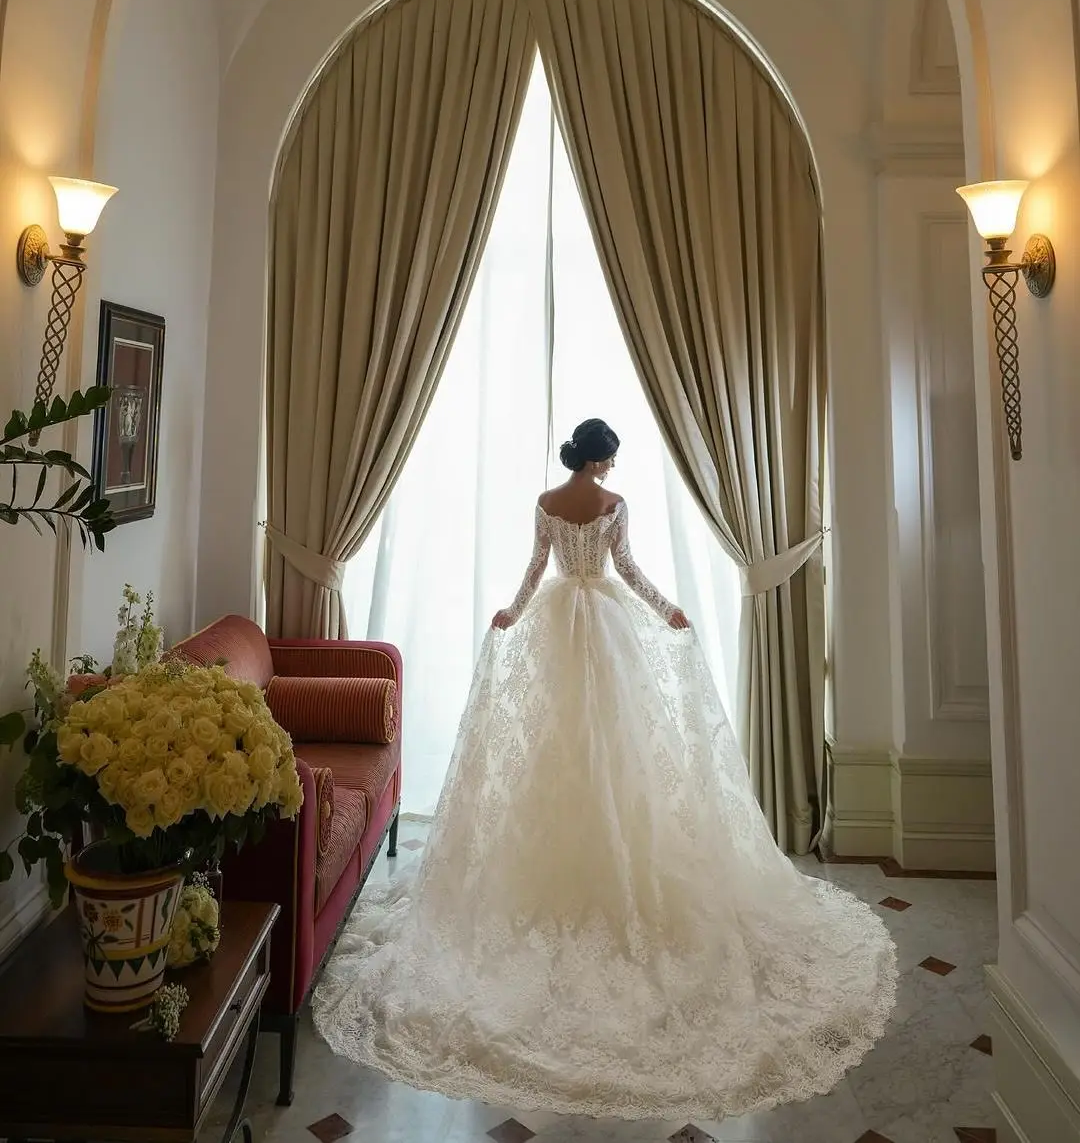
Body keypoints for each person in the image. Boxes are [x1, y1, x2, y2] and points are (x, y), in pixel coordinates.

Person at [313, 418, 897, 1121]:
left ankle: (559, 872)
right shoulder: (613, 506)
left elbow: (534, 572)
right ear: (601, 457)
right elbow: (627, 571)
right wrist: (666, 609)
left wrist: (513, 612)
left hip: (561, 623)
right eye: (612, 455)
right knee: (621, 748)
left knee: (560, 746)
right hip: (607, 623)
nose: (614, 466)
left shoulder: (547, 502)